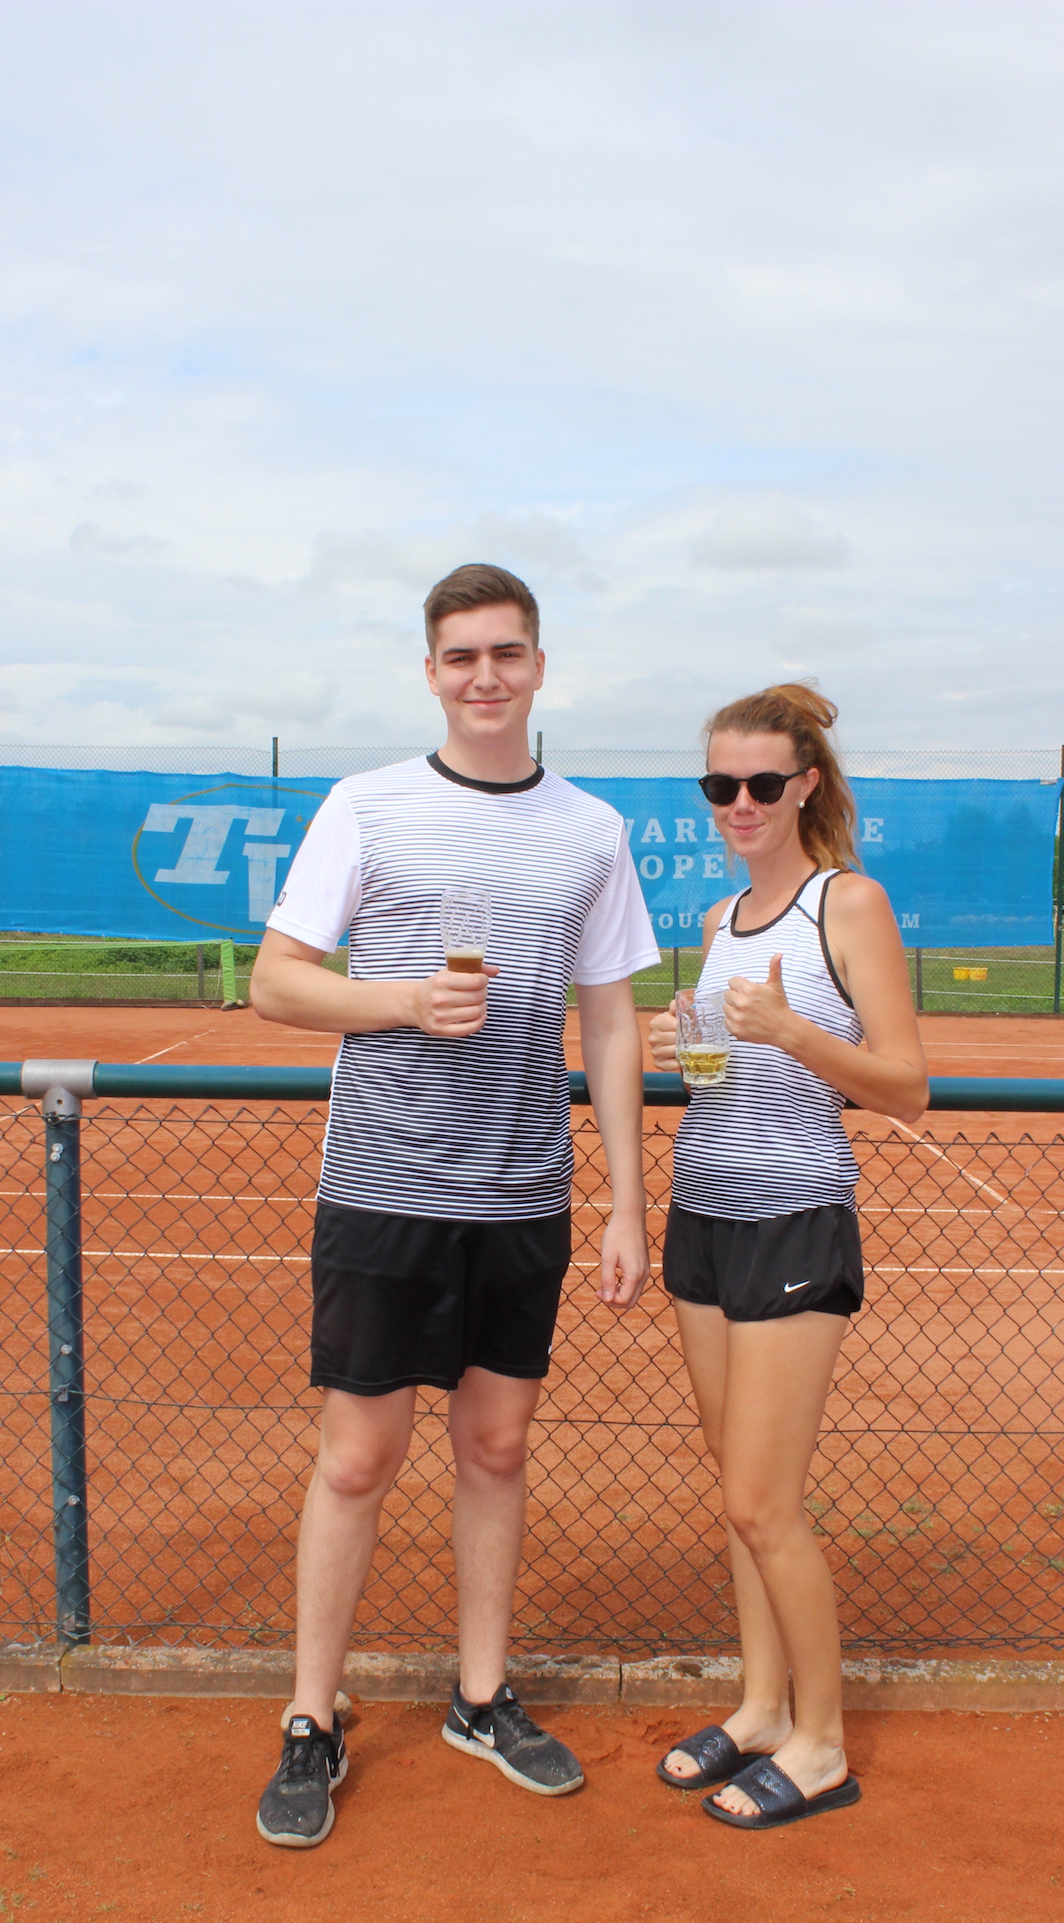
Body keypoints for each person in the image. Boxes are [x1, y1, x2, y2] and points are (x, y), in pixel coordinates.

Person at [248, 562, 659, 1848]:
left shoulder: (591, 831)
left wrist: (627, 1201)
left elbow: (611, 1021)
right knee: (357, 1459)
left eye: (507, 652)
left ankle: (482, 1699)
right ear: (431, 672)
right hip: (383, 1184)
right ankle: (310, 1717)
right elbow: (277, 981)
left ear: (540, 666)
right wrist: (402, 1002)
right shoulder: (366, 806)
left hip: (523, 1193)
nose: (487, 676)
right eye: (463, 655)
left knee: (496, 1450)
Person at [648, 682, 927, 1829]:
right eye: (721, 784)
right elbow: (726, 1079)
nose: (742, 803)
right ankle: (763, 1708)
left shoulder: (846, 903)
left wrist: (793, 1031)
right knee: (737, 1494)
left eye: (764, 782)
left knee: (767, 1502)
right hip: (704, 1213)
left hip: (795, 1220)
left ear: (806, 784)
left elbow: (905, 1087)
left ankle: (822, 1744)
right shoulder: (722, 920)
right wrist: (689, 1046)